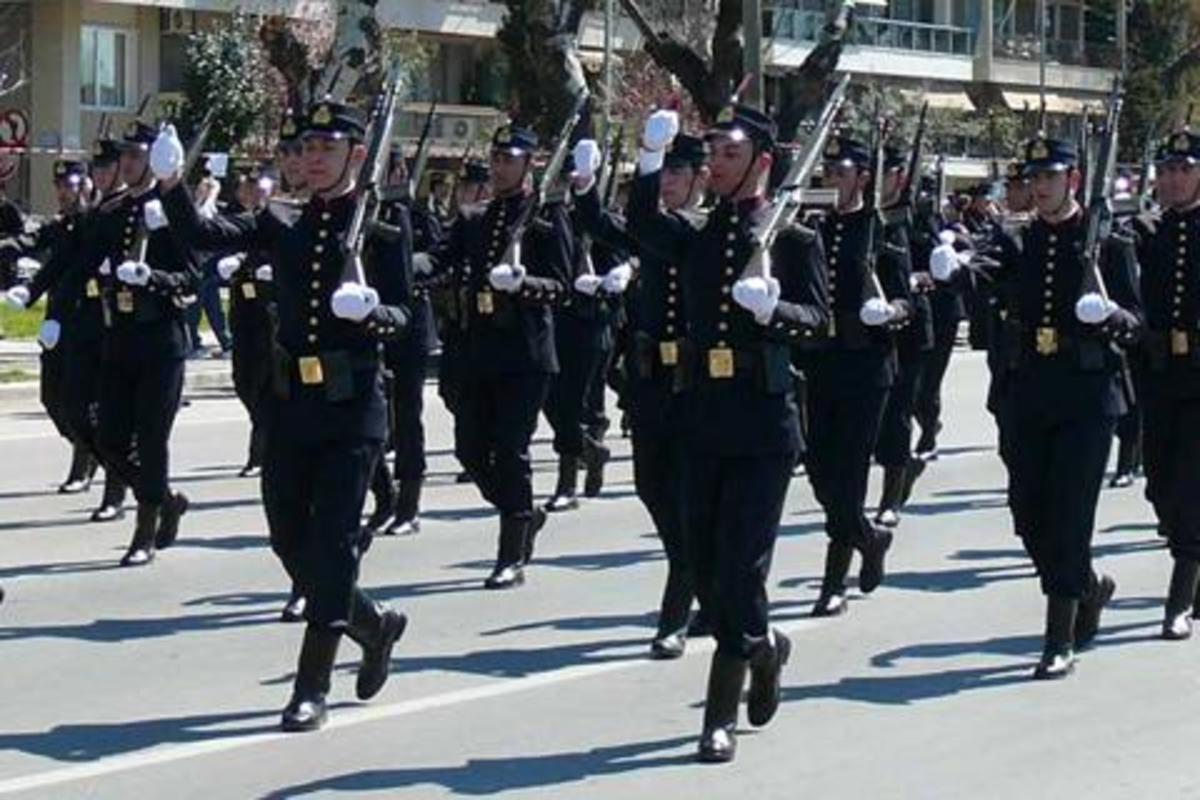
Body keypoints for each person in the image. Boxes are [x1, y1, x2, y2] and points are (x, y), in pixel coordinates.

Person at [157, 99, 412, 731]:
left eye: (328, 149)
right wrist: (172, 185)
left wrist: (374, 312)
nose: (314, 160)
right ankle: (374, 625)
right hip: (292, 404)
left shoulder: (383, 223)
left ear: (357, 154)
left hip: (354, 407)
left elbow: (406, 316)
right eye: (308, 150)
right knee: (287, 538)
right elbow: (201, 236)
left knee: (331, 548)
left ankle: (311, 687)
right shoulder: (281, 220)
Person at [629, 105, 829, 763]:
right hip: (701, 417)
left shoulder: (794, 240)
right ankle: (765, 648)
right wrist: (650, 159)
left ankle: (718, 716)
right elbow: (639, 226)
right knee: (706, 570)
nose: (714, 164)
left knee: (741, 571)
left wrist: (775, 310)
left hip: (764, 425)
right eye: (710, 153)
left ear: (762, 162)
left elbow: (818, 321)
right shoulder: (697, 233)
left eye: (728, 154)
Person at [992, 135, 1142, 678]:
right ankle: (1089, 585)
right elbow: (984, 272)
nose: (1038, 188)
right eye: (1033, 179)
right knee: (1028, 513)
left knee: (1069, 518)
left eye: (1048, 178)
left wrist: (1110, 317)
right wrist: (946, 270)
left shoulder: (1108, 242)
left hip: (1087, 396)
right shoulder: (1018, 239)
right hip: (1029, 391)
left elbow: (1136, 323)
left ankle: (1058, 638)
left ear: (1073, 181)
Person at [571, 131, 710, 658]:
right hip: (650, 383)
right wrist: (585, 186)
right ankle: (696, 572)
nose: (667, 182)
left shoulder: (703, 231)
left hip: (694, 386)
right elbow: (602, 226)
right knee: (652, 487)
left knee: (685, 498)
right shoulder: (653, 233)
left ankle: (675, 611)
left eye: (677, 174)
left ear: (699, 180)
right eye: (663, 173)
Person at [421, 125, 572, 590]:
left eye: (509, 159)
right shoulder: (474, 217)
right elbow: (438, 259)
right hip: (476, 351)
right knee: (469, 449)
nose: (500, 166)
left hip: (524, 353)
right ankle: (522, 512)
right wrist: (402, 268)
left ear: (530, 165)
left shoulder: (546, 217)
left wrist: (524, 285)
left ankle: (512, 551)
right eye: (496, 158)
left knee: (510, 450)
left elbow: (561, 286)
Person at [801, 135, 911, 618]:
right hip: (818, 360)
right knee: (820, 474)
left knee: (847, 473)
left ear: (863, 177)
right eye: (828, 172)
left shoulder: (883, 226)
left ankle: (833, 580)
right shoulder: (812, 227)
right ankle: (869, 537)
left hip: (866, 365)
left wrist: (886, 312)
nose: (831, 180)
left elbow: (909, 300)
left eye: (841, 172)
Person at [84, 120, 195, 566]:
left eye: (135, 157)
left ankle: (145, 530)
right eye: (124, 157)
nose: (127, 164)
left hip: (160, 340)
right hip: (120, 338)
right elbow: (87, 261)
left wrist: (154, 277)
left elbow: (191, 275)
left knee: (151, 439)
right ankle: (164, 497)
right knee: (107, 438)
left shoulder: (167, 211)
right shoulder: (111, 212)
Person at [1130, 128, 1200, 640]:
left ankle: (1180, 597)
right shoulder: (1144, 230)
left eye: (1184, 170)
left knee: (1190, 485)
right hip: (1157, 373)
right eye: (1168, 171)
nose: (1173, 179)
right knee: (1158, 484)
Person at [873, 142, 933, 526]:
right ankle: (904, 464)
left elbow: (940, 263)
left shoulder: (917, 217)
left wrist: (917, 277)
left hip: (909, 330)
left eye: (887, 174)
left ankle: (889, 499)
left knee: (897, 414)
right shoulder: (866, 217)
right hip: (870, 328)